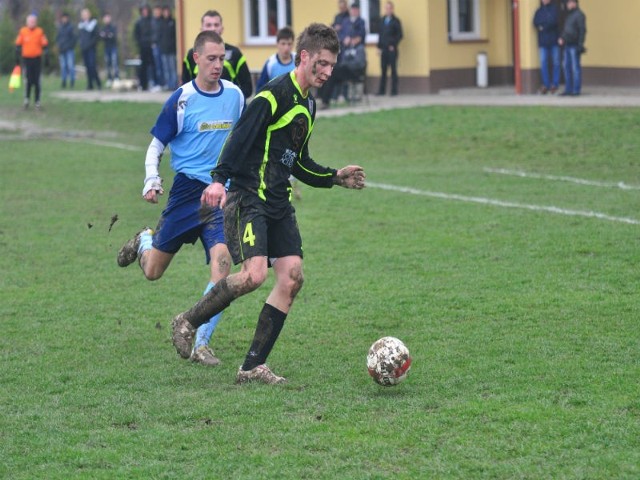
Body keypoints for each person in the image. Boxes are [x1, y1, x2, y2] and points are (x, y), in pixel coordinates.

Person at [170, 23, 367, 385]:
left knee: (292, 278)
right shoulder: (272, 96)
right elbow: (239, 137)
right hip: (249, 198)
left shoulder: (308, 104)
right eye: (321, 63)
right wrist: (218, 179)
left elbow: (299, 161)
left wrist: (334, 176)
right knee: (254, 276)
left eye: (332, 66)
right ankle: (186, 321)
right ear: (304, 56)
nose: (326, 72)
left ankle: (251, 366)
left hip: (279, 202)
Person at [117, 30, 244, 366]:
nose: (218, 65)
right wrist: (151, 179)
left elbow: (245, 140)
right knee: (153, 272)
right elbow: (156, 146)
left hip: (219, 194)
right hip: (187, 192)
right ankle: (145, 239)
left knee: (223, 265)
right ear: (196, 58)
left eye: (222, 59)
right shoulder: (181, 99)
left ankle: (200, 340)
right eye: (212, 58)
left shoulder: (235, 96)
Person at [181, 10, 253, 100]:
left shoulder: (235, 53)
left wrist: (229, 100)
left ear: (222, 29)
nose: (213, 28)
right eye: (208, 25)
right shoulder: (191, 55)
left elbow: (247, 88)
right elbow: (185, 86)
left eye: (216, 25)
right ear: (201, 29)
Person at [319, 34, 366, 108]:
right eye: (352, 38)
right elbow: (343, 60)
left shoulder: (360, 48)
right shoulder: (348, 48)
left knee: (333, 73)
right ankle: (324, 100)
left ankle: (325, 101)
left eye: (354, 38)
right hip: (346, 72)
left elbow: (359, 64)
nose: (352, 40)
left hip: (355, 73)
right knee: (330, 75)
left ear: (359, 39)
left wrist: (346, 64)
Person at [15, 13, 49, 110]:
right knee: (28, 81)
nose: (32, 23)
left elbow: (45, 45)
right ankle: (26, 100)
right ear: (27, 22)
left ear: (36, 22)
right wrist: (17, 57)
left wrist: (46, 57)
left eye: (33, 21)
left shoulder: (40, 31)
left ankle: (37, 101)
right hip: (27, 60)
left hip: (37, 59)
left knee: (37, 81)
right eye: (30, 21)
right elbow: (18, 45)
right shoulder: (23, 31)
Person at [255, 26, 296, 92]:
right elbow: (260, 89)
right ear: (277, 44)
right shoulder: (270, 64)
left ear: (293, 44)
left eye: (289, 44)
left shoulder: (298, 61)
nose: (286, 48)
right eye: (283, 44)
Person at [559, 0, 586, 96]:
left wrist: (580, 45)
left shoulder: (579, 15)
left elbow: (582, 31)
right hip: (567, 44)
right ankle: (568, 89)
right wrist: (562, 37)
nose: (568, 4)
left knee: (575, 68)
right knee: (567, 67)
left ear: (574, 3)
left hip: (574, 45)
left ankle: (576, 90)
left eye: (569, 3)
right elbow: (566, 29)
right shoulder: (569, 15)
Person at [533, 0, 560, 94]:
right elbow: (535, 22)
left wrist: (543, 26)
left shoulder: (554, 9)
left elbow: (554, 21)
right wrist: (544, 25)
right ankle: (546, 85)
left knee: (556, 63)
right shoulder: (539, 11)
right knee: (543, 63)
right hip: (543, 42)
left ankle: (555, 85)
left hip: (554, 41)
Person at [377, 1, 403, 96]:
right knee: (383, 70)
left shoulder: (396, 21)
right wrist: (379, 47)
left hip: (392, 49)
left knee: (393, 70)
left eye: (389, 8)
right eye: (386, 8)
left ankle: (394, 91)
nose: (388, 10)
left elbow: (400, 35)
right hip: (383, 49)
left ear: (392, 9)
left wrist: (393, 44)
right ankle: (381, 91)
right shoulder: (382, 20)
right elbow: (380, 35)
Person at [78, 8, 101, 90]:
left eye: (85, 14)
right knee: (87, 67)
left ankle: (98, 83)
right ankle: (90, 84)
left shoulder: (93, 24)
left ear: (89, 15)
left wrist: (90, 45)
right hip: (84, 49)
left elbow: (96, 37)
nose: (84, 16)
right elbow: (80, 37)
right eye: (83, 15)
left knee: (92, 66)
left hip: (91, 49)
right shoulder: (81, 25)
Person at [134, 4, 154, 91]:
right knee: (143, 66)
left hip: (151, 46)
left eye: (146, 10)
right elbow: (136, 35)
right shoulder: (138, 22)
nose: (145, 12)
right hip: (143, 47)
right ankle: (143, 84)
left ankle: (153, 83)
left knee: (153, 66)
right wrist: (140, 43)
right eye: (143, 10)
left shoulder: (152, 21)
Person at [56, 12, 76, 89]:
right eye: (63, 18)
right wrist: (59, 46)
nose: (64, 19)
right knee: (63, 67)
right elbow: (58, 38)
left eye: (65, 18)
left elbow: (74, 39)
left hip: (69, 50)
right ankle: (63, 81)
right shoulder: (60, 27)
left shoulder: (71, 27)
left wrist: (69, 46)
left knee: (70, 66)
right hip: (62, 50)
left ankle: (72, 81)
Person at [159, 6, 178, 91]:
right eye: (164, 12)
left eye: (167, 11)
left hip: (171, 50)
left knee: (172, 68)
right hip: (164, 49)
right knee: (166, 69)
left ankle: (174, 84)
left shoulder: (173, 22)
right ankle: (168, 84)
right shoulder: (161, 23)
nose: (166, 13)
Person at [99, 13, 120, 87]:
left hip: (113, 47)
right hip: (106, 48)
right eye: (105, 18)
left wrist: (107, 35)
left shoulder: (113, 27)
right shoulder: (103, 27)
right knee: (108, 63)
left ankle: (116, 77)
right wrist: (107, 35)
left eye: (107, 18)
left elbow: (113, 36)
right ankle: (109, 78)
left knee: (114, 62)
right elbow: (101, 36)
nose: (106, 19)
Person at [150, 5, 164, 90]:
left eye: (158, 11)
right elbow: (152, 33)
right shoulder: (153, 21)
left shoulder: (162, 21)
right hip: (155, 46)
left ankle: (162, 83)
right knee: (156, 65)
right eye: (155, 11)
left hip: (162, 46)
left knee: (162, 66)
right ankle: (158, 83)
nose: (156, 13)